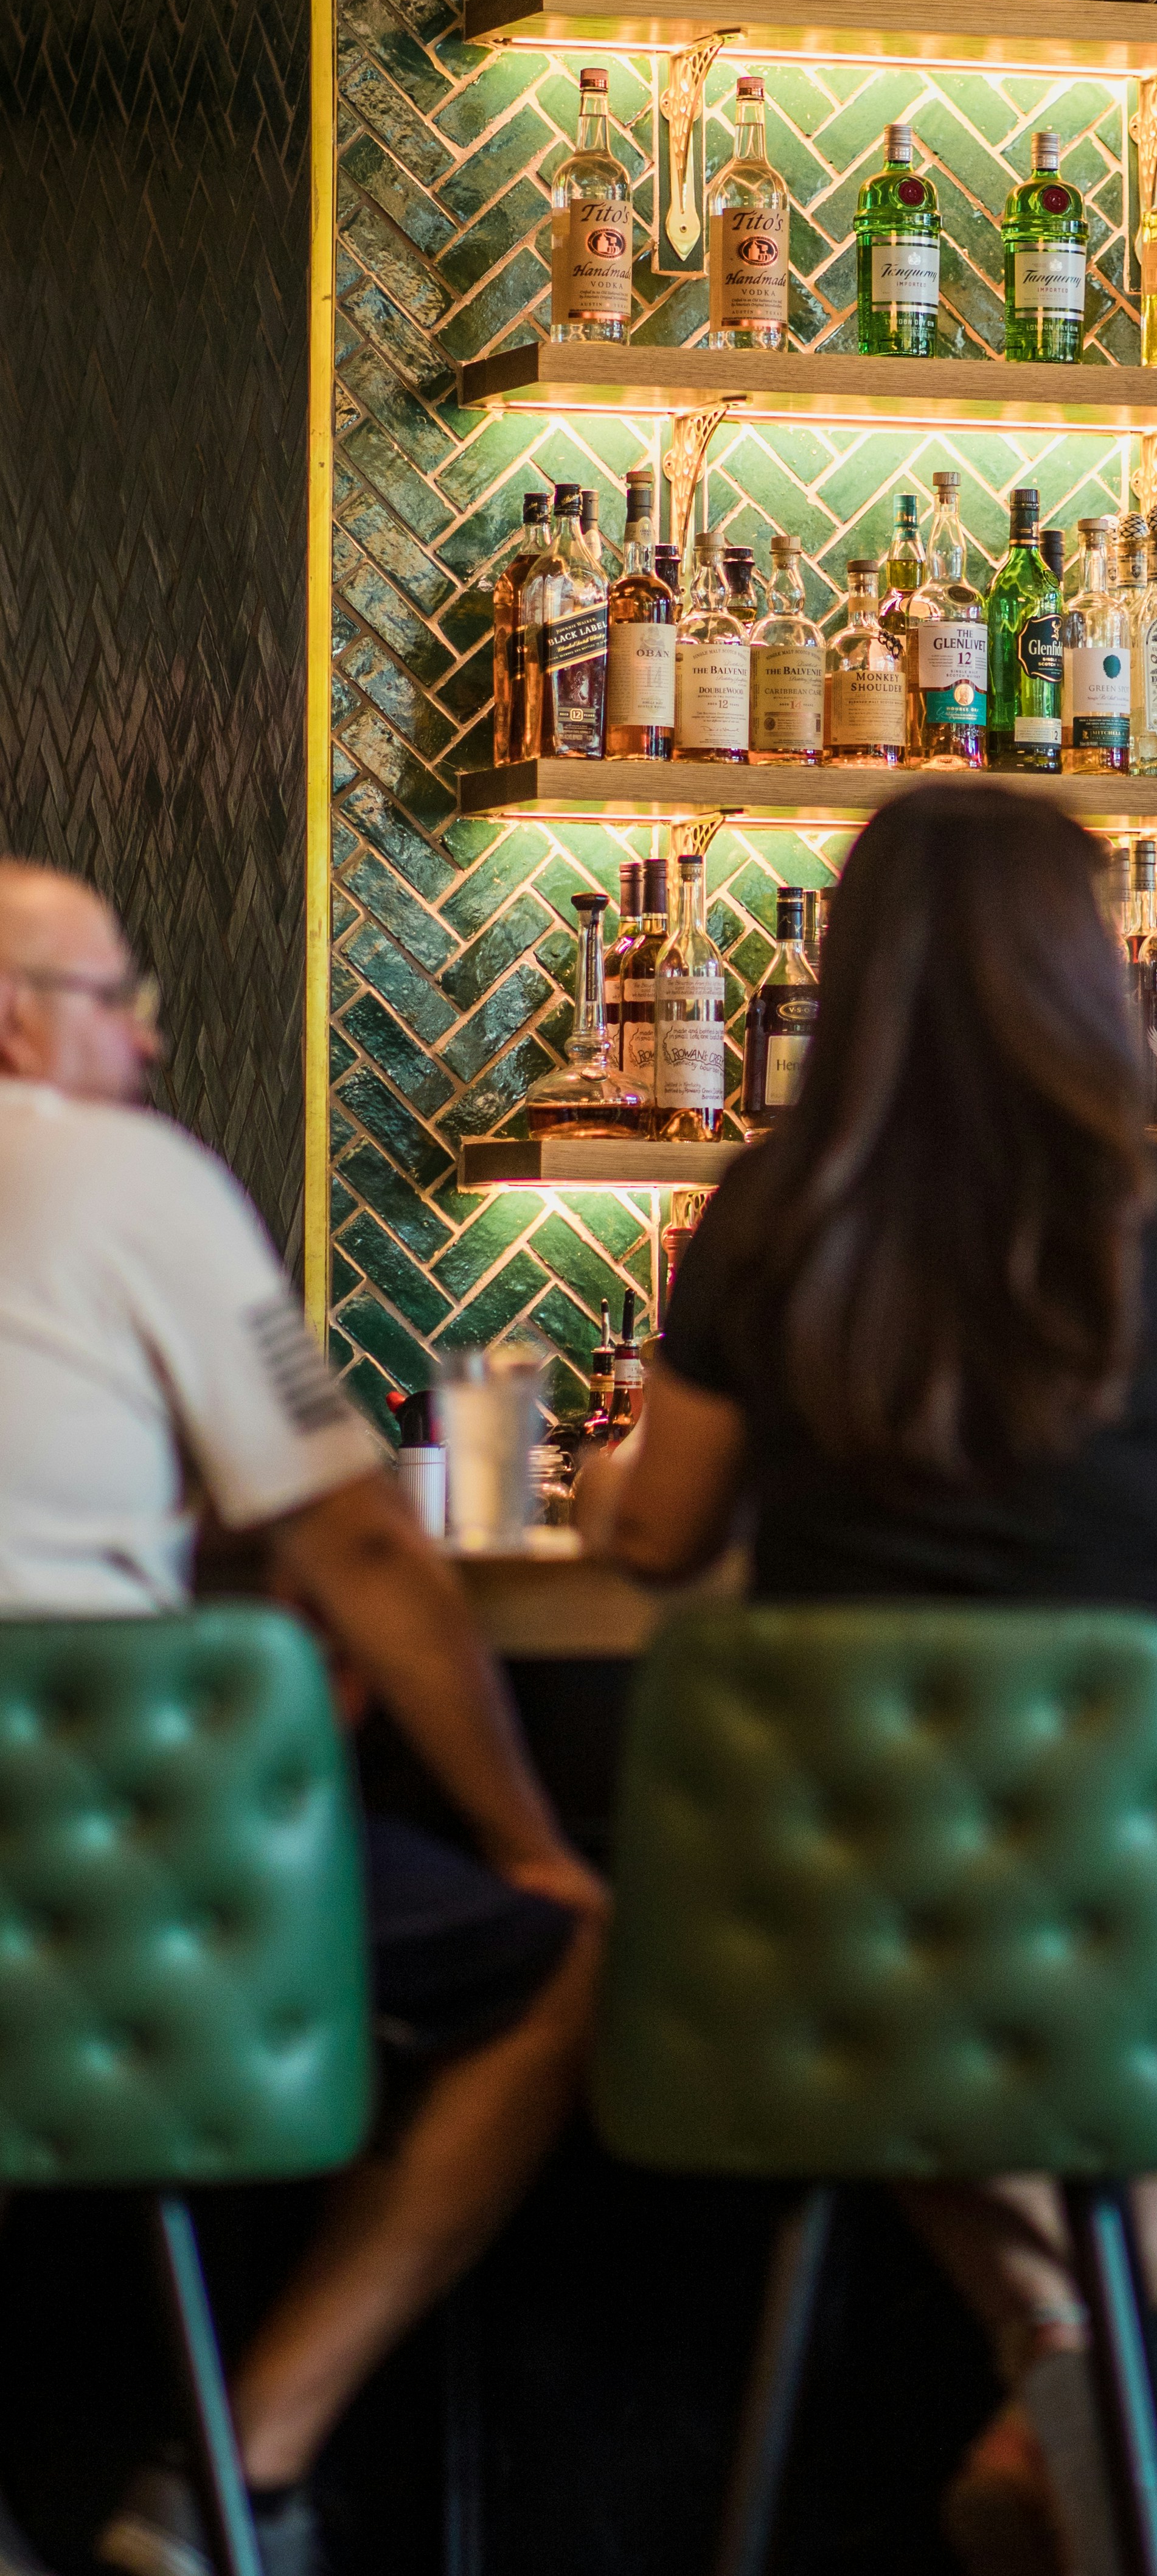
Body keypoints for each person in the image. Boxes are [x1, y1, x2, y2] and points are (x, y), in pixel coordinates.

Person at [585, 782, 1157, 2576]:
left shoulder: (769, 1212)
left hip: (840, 1880)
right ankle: (1082, 2391)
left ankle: (1050, 2364)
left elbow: (655, 1540)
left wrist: (603, 1475)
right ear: (1079, 968)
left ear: (858, 971)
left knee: (903, 1992)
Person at [0, 864, 604, 2576]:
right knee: (554, 1960)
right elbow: (354, 1534)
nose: (157, 1031)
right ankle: (231, 2479)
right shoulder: (127, 1174)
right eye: (120, 997)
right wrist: (528, 1842)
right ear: (18, 1019)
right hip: (91, 1840)